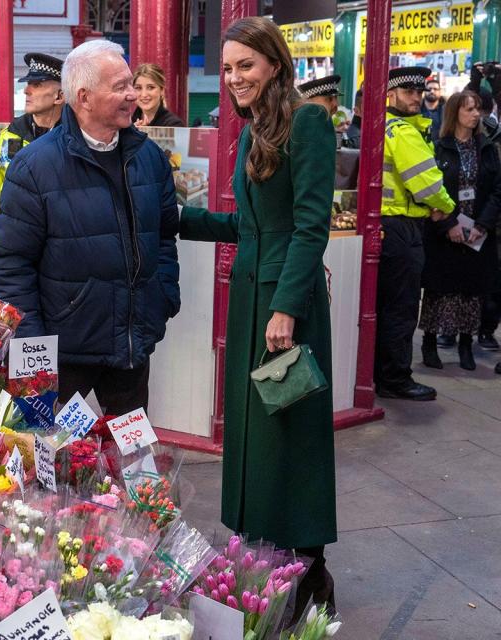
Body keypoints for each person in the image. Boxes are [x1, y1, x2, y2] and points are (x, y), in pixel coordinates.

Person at [175, 16, 336, 616]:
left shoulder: (309, 122)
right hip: (251, 306)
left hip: (283, 312)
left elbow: (309, 225)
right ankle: (266, 565)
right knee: (252, 440)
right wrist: (179, 220)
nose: (235, 76)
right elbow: (250, 228)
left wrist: (287, 308)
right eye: (228, 67)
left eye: (246, 64)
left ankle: (308, 570)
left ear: (274, 63)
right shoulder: (249, 133)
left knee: (290, 439)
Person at [0, 39, 181, 415]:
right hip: (62, 354)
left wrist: (163, 298)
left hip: (130, 347)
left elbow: (163, 236)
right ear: (84, 97)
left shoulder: (150, 158)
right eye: (121, 87)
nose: (133, 95)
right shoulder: (33, 167)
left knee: (133, 459)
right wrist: (32, 344)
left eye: (132, 84)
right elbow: (12, 264)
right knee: (46, 460)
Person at [375, 66, 456, 400]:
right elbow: (427, 182)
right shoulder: (405, 133)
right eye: (409, 92)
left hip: (385, 225)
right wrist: (446, 206)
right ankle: (396, 379)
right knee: (402, 307)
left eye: (420, 93)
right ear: (391, 94)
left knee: (385, 306)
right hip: (402, 227)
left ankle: (380, 374)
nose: (417, 99)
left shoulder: (384, 127)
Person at [420, 90, 501, 371]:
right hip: (445, 231)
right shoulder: (439, 147)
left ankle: (466, 344)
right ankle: (430, 342)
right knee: (438, 290)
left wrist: (482, 225)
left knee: (472, 291)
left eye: (478, 109)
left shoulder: (486, 147)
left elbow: (497, 191)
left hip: (476, 232)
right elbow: (430, 191)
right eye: (469, 109)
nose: (476, 114)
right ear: (455, 112)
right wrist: (448, 224)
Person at [0, 53, 64, 282]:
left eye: (37, 84)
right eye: (28, 84)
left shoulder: (76, 139)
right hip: (16, 253)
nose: (26, 91)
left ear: (60, 95)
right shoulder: (12, 136)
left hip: (63, 257)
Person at [422, 77, 445, 142]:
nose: (432, 91)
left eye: (435, 89)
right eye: (429, 89)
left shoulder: (447, 111)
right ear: (424, 91)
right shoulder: (416, 110)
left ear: (440, 92)